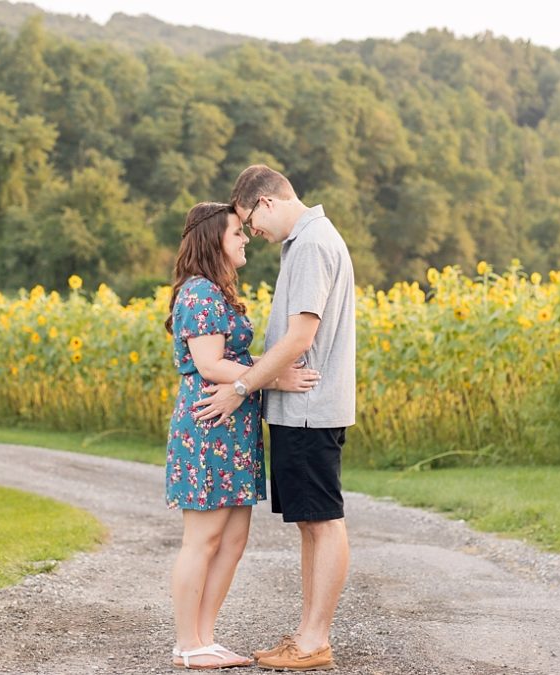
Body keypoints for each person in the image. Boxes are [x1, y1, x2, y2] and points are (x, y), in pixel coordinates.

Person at [194, 166, 356, 672]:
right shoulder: (305, 242)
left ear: (265, 203)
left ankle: (314, 640)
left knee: (323, 521)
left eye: (248, 221)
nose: (252, 234)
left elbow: (299, 338)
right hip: (300, 412)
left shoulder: (310, 245)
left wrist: (241, 387)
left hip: (310, 412)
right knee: (310, 522)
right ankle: (308, 634)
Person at [164, 201, 322, 670]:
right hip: (208, 426)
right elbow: (211, 364)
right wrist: (276, 376)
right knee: (204, 538)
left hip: (235, 425)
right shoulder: (198, 294)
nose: (245, 238)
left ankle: (206, 637)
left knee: (233, 539)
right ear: (214, 240)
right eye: (237, 232)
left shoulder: (219, 292)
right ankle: (187, 643)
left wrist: (261, 378)